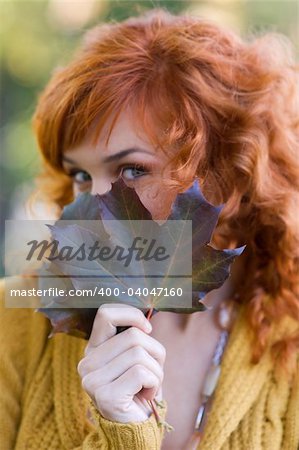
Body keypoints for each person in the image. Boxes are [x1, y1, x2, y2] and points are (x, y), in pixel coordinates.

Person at [1, 8, 299, 450]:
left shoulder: (287, 343)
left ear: (228, 173)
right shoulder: (16, 319)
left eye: (132, 169)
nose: (91, 205)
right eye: (80, 175)